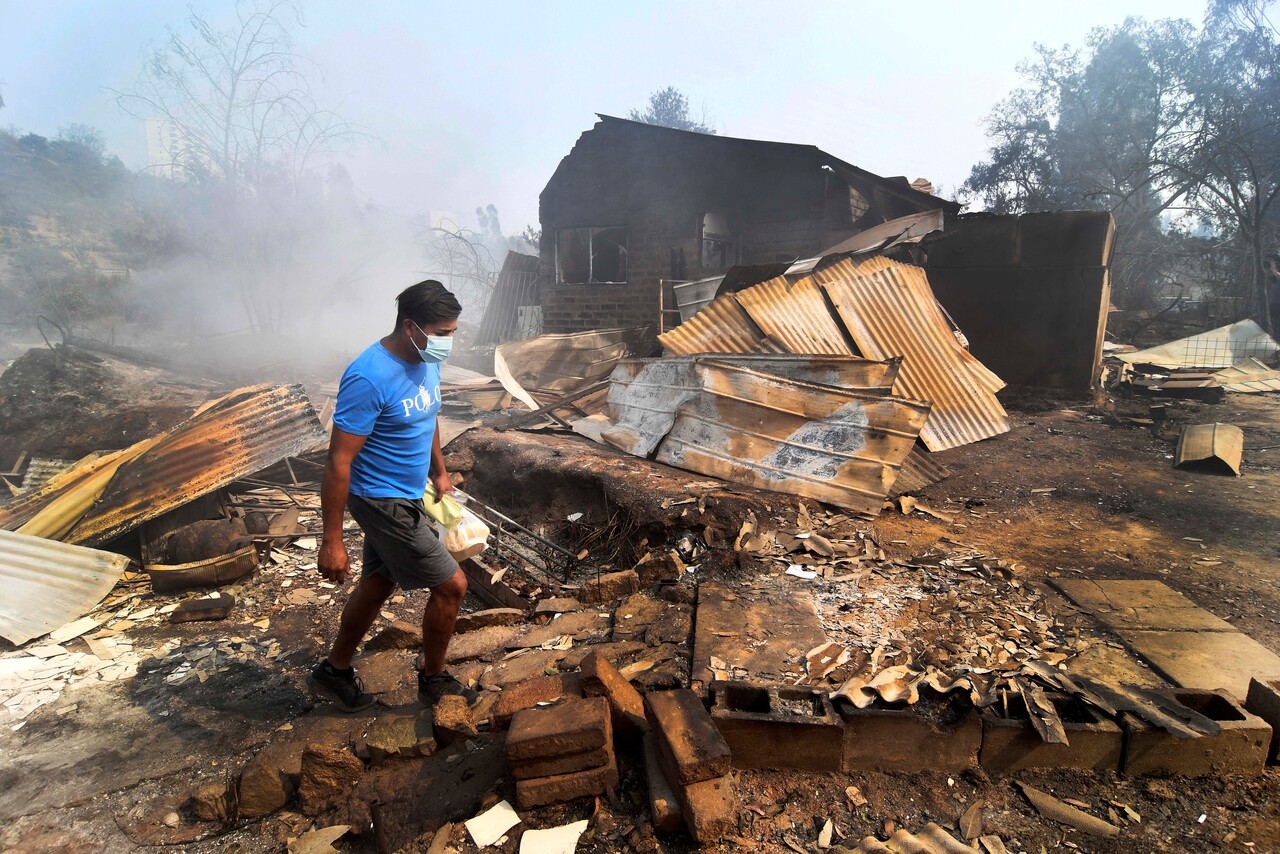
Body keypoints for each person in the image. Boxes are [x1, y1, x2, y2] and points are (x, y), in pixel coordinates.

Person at [308, 279, 477, 712]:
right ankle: (434, 679)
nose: (448, 342)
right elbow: (338, 461)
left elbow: (428, 414)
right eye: (441, 333)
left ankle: (334, 671)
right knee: (452, 586)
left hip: (411, 491)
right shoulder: (369, 376)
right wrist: (332, 540)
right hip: (381, 499)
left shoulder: (426, 360)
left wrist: (440, 472)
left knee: (379, 582)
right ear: (409, 327)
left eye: (453, 332)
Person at [1267, 254, 1280, 334]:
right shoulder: (1274, 278)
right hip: (1273, 304)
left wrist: (1273, 269)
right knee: (1273, 325)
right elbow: (1267, 285)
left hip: (1278, 304)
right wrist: (1269, 271)